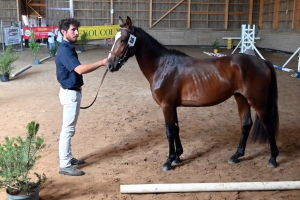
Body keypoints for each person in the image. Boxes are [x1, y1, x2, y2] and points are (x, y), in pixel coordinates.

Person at [55, 18, 108, 176]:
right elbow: (80, 69)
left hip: (72, 92)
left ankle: (69, 158)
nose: (77, 32)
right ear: (64, 32)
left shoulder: (68, 48)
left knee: (69, 129)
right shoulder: (65, 50)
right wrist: (101, 62)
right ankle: (64, 164)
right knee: (68, 130)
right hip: (70, 93)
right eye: (73, 30)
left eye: (76, 29)